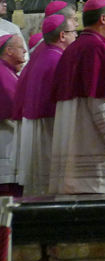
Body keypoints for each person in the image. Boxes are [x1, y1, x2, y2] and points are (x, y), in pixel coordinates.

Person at [48, 0, 105, 194]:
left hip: (75, 143)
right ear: (104, 19)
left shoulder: (74, 48)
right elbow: (101, 99)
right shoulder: (96, 49)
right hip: (95, 152)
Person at [14, 14, 77, 195]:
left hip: (39, 126)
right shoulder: (57, 60)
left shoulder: (45, 56)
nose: (76, 36)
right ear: (62, 36)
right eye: (73, 32)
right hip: (50, 128)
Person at [0, 34, 25, 193]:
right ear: (9, 51)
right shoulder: (2, 74)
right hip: (5, 145)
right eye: (20, 47)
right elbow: (10, 108)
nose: (24, 50)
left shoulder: (8, 72)